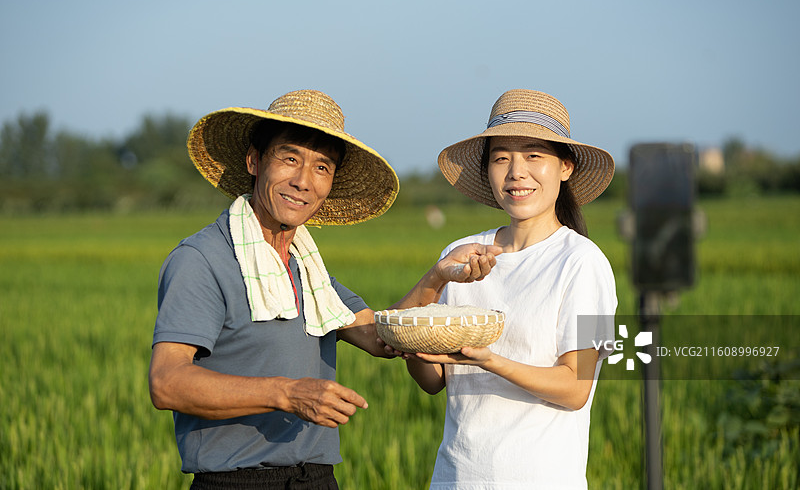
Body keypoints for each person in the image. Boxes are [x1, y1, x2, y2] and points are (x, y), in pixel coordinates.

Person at [148, 89, 500, 489]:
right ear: (254, 161)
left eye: (321, 167)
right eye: (290, 159)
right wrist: (287, 394)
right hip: (236, 481)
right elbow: (167, 382)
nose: (303, 181)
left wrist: (437, 276)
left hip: (316, 479)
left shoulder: (307, 269)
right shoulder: (203, 259)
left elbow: (380, 336)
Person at [397, 89, 618, 489]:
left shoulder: (584, 262)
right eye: (501, 158)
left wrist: (489, 360)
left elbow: (575, 388)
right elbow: (433, 381)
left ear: (565, 167)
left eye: (533, 155)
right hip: (455, 478)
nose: (516, 172)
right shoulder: (461, 254)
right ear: (487, 170)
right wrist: (415, 342)